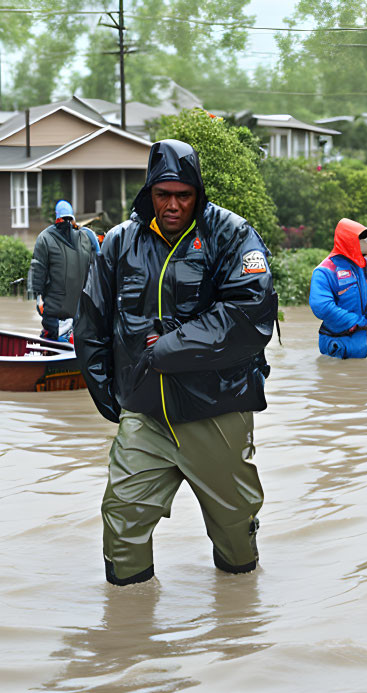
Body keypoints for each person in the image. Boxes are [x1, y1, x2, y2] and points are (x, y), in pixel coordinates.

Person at [74, 139, 278, 586]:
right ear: (149, 191)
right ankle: (130, 634)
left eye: (183, 195)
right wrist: (110, 394)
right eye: (163, 194)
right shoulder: (119, 244)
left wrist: (166, 348)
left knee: (235, 532)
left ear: (197, 193)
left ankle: (240, 631)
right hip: (145, 415)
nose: (172, 205)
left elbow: (250, 314)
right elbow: (91, 322)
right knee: (121, 521)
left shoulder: (231, 234)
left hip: (217, 410)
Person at [309, 218, 367, 359]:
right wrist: (354, 321)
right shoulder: (324, 271)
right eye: (358, 240)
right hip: (336, 344)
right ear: (347, 241)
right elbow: (321, 306)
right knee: (337, 378)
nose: (362, 245)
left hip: (360, 343)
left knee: (362, 376)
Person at [29, 199, 99, 340]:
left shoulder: (44, 238)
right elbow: (98, 268)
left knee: (50, 345)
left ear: (56, 216)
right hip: (78, 312)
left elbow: (37, 271)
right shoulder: (86, 237)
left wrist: (38, 299)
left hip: (55, 312)